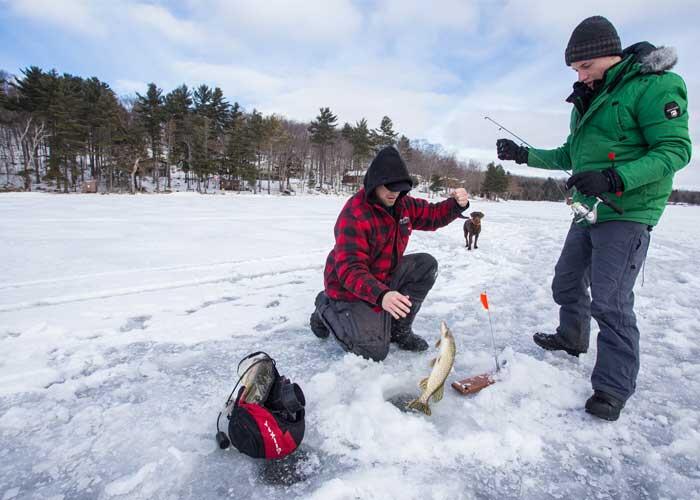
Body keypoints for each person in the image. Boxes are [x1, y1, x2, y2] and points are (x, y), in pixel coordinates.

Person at [497, 16, 691, 421]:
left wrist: (614, 178)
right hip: (589, 210)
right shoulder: (588, 98)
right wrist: (522, 155)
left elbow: (674, 151)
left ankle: (612, 386)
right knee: (566, 282)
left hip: (627, 211)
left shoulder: (654, 86)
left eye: (585, 67)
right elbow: (570, 154)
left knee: (611, 302)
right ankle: (572, 338)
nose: (580, 76)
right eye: (575, 70)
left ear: (611, 55)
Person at [309, 146, 470, 362]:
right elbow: (350, 269)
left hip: (382, 276)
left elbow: (432, 215)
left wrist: (456, 205)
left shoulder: (402, 204)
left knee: (425, 265)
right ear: (374, 183)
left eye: (400, 188)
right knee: (373, 352)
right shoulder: (355, 214)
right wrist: (382, 295)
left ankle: (398, 331)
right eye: (389, 187)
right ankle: (325, 306)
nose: (394, 193)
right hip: (348, 288)